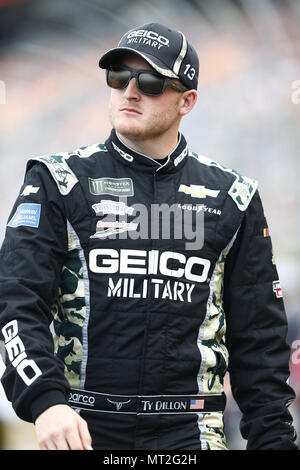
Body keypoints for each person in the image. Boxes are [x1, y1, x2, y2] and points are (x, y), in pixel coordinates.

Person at [0, 22, 297, 451]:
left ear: (187, 100)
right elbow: (15, 300)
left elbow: (260, 342)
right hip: (81, 430)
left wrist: (274, 441)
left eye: (151, 82)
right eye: (118, 77)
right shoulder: (58, 181)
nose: (130, 92)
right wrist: (46, 402)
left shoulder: (233, 197)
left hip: (191, 433)